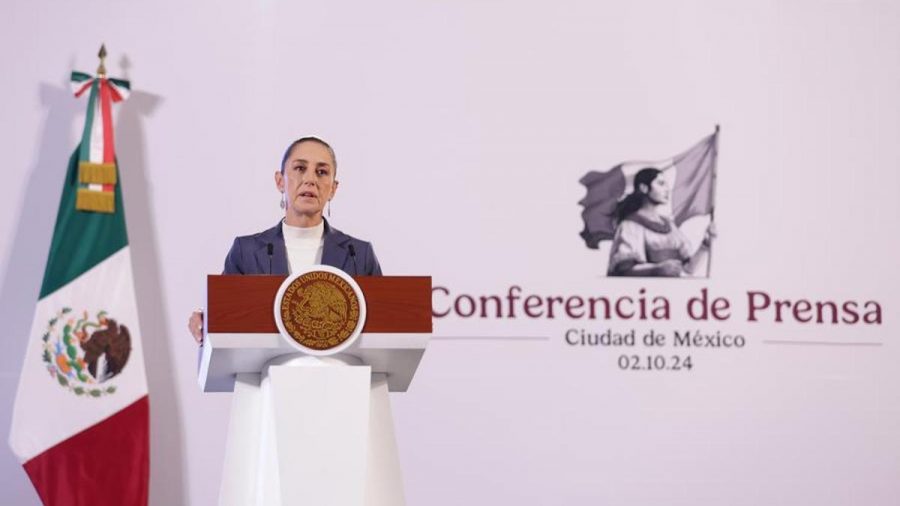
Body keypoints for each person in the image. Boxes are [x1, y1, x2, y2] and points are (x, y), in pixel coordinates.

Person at [188, 136, 381, 343]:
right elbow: (225, 313)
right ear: (280, 181)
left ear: (333, 189)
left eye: (321, 172)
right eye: (300, 168)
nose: (310, 180)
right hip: (267, 364)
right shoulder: (246, 251)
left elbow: (383, 321)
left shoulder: (358, 254)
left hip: (339, 363)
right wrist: (205, 319)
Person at [607, 167, 715, 277]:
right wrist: (657, 269)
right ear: (644, 188)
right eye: (661, 184)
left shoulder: (670, 225)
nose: (667, 189)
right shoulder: (630, 225)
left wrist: (705, 244)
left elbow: (688, 269)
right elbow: (624, 269)